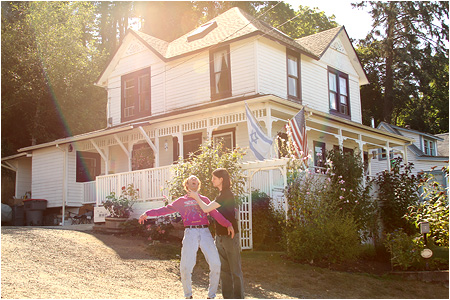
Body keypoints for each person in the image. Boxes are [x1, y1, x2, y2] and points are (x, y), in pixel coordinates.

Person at [138, 175, 234, 299]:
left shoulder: (204, 198)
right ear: (187, 185)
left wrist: (228, 224)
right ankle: (188, 296)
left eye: (196, 180)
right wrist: (148, 213)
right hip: (190, 233)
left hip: (205, 232)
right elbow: (165, 210)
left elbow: (214, 213)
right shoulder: (181, 201)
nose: (194, 180)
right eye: (191, 179)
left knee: (216, 264)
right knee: (185, 267)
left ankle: (211, 296)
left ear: (198, 185)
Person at [188, 168, 244, 299]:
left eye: (214, 178)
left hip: (230, 237)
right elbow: (212, 211)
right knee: (224, 270)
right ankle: (228, 297)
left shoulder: (226, 195)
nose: (212, 180)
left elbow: (207, 208)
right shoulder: (220, 195)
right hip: (220, 236)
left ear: (221, 179)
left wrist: (196, 196)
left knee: (235, 270)